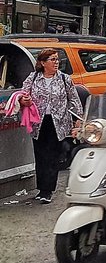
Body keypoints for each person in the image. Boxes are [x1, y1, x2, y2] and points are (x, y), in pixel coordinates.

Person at [20, 48, 83, 202]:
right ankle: (41, 188)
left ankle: (48, 190)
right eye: (52, 59)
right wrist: (24, 101)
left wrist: (78, 119)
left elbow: (73, 99)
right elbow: (22, 94)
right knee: (40, 155)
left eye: (57, 59)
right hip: (39, 122)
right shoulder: (33, 77)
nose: (56, 62)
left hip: (58, 122)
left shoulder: (64, 79)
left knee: (52, 156)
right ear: (43, 63)